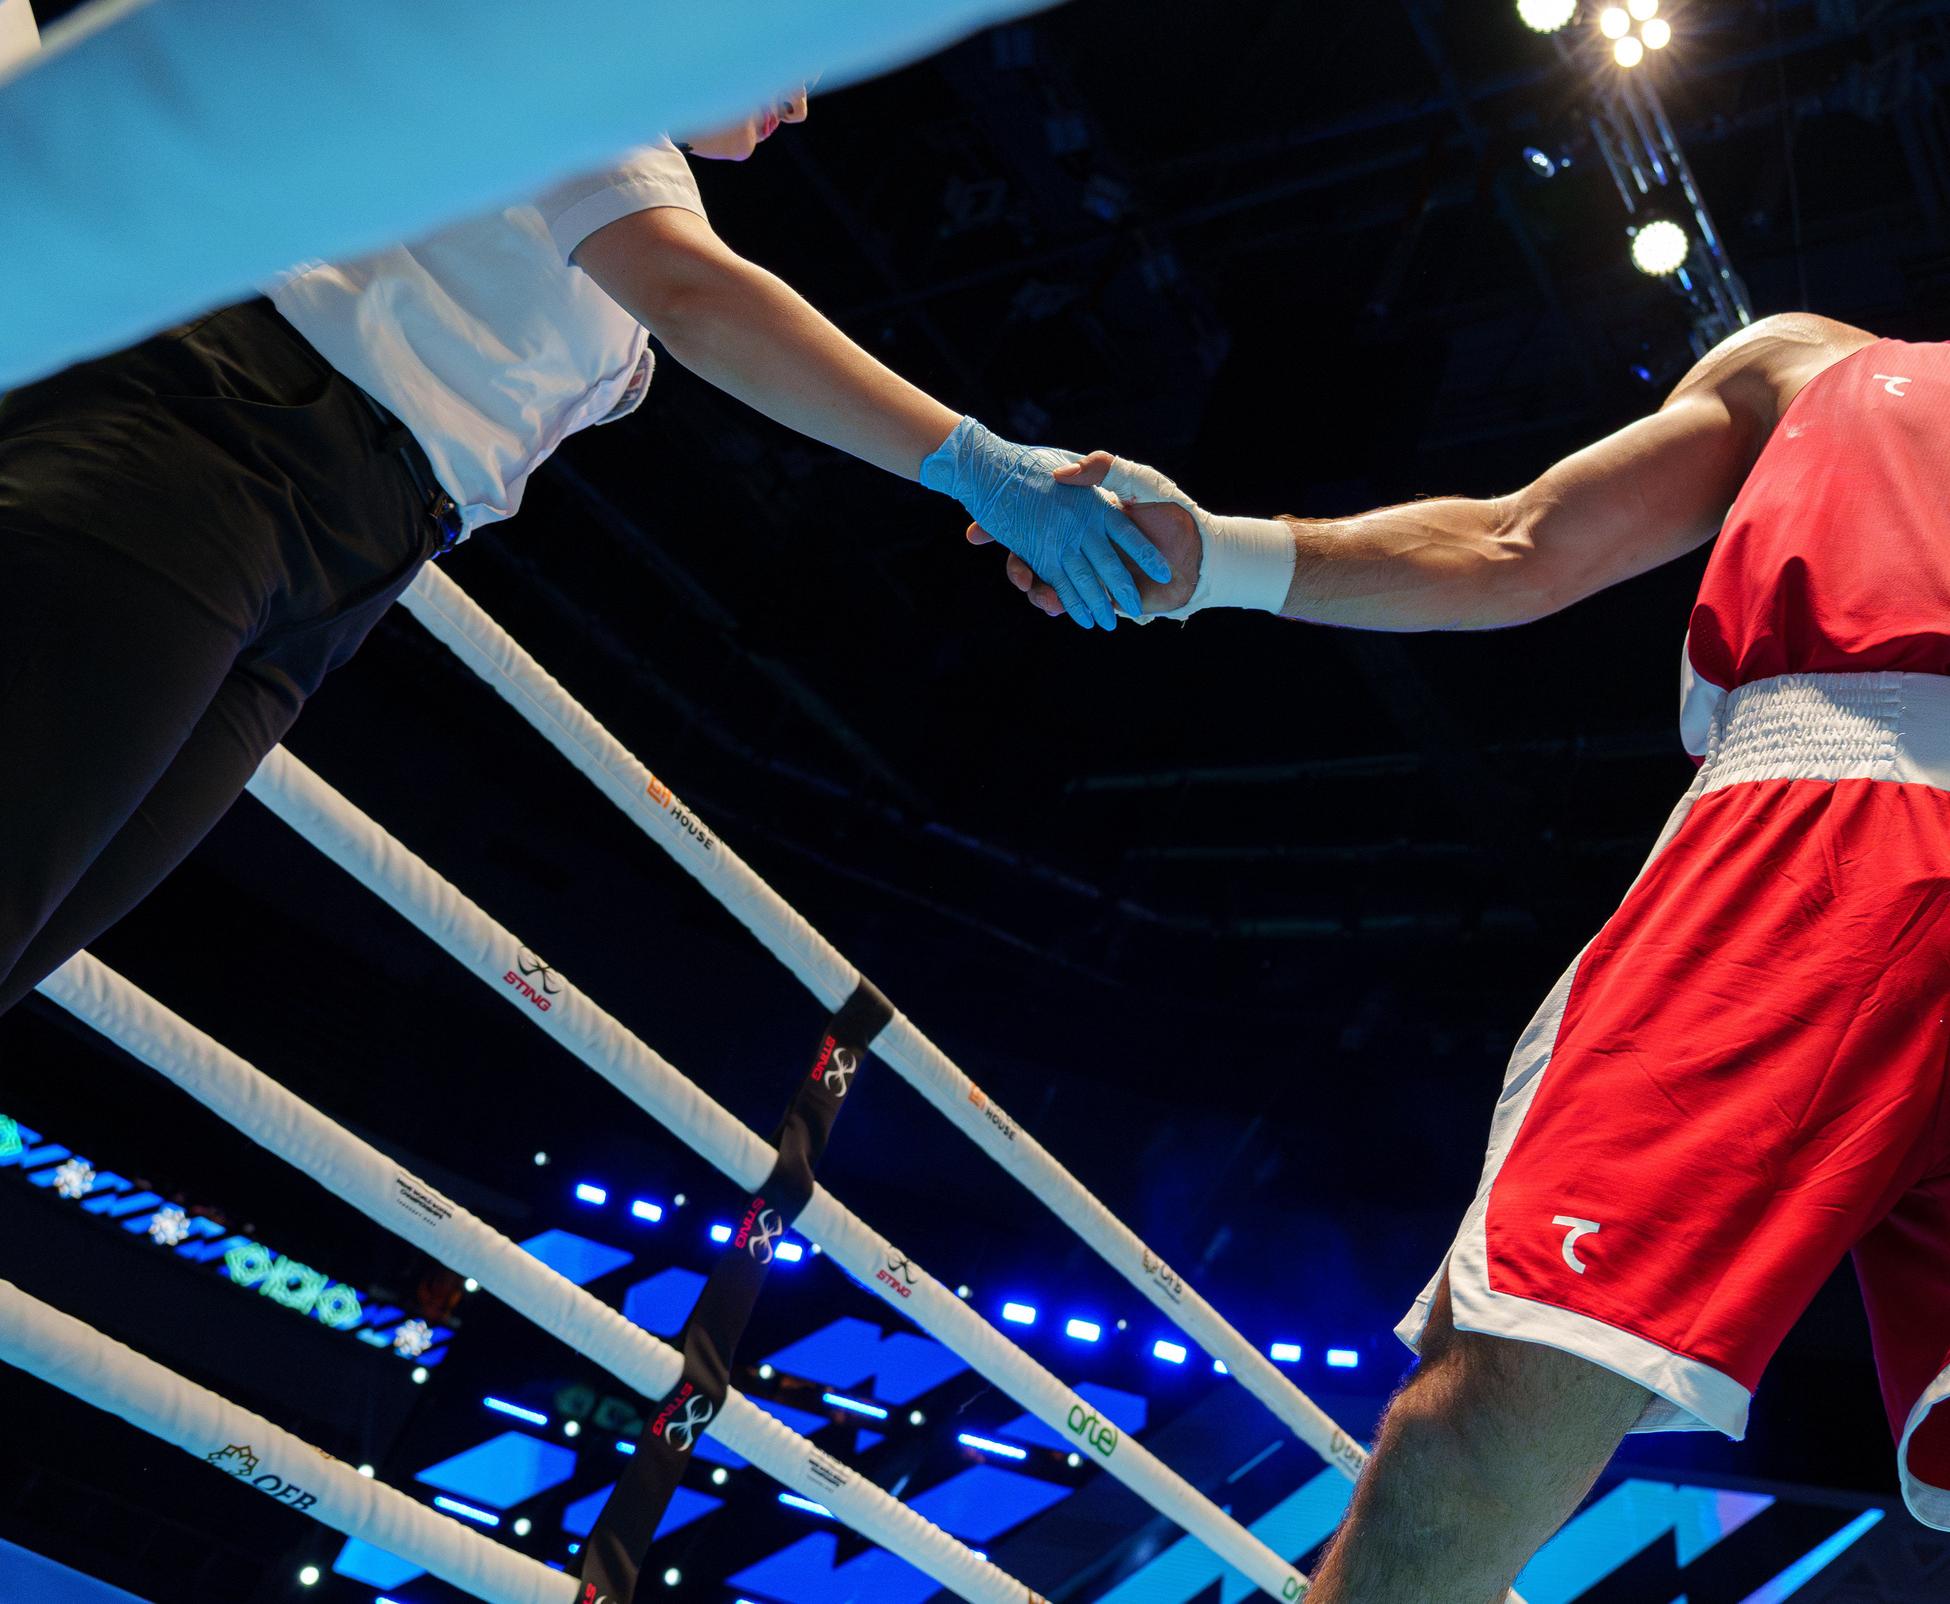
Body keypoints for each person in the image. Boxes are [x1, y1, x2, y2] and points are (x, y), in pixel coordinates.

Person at [997, 115, 1950, 1602]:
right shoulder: (1808, 366)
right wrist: (1222, 557)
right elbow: (1521, 543)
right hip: (1793, 868)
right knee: (1489, 1429)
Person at [0, 83, 1168, 1015]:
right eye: (804, 53)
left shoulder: (624, 222)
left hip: (340, 565)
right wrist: (976, 461)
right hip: (225, 443)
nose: (805, 105)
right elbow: (702, 300)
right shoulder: (589, 76)